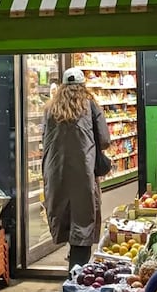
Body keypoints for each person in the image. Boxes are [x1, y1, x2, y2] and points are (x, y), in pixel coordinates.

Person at [42, 66, 111, 270]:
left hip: (56, 173)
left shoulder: (50, 109)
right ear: (82, 86)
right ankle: (78, 269)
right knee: (83, 218)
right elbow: (105, 140)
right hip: (83, 172)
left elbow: (45, 139)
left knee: (62, 213)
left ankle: (72, 259)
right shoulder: (90, 106)